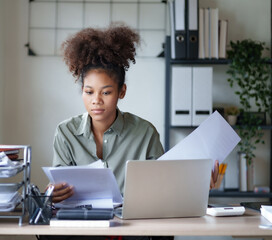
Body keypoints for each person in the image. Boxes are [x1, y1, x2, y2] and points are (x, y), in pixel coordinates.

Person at [41, 23, 219, 240]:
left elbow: (164, 187)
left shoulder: (144, 132)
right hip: (83, 227)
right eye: (89, 92)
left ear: (121, 92)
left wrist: (197, 183)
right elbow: (60, 193)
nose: (96, 100)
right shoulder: (65, 132)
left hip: (133, 228)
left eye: (106, 92)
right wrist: (54, 193)